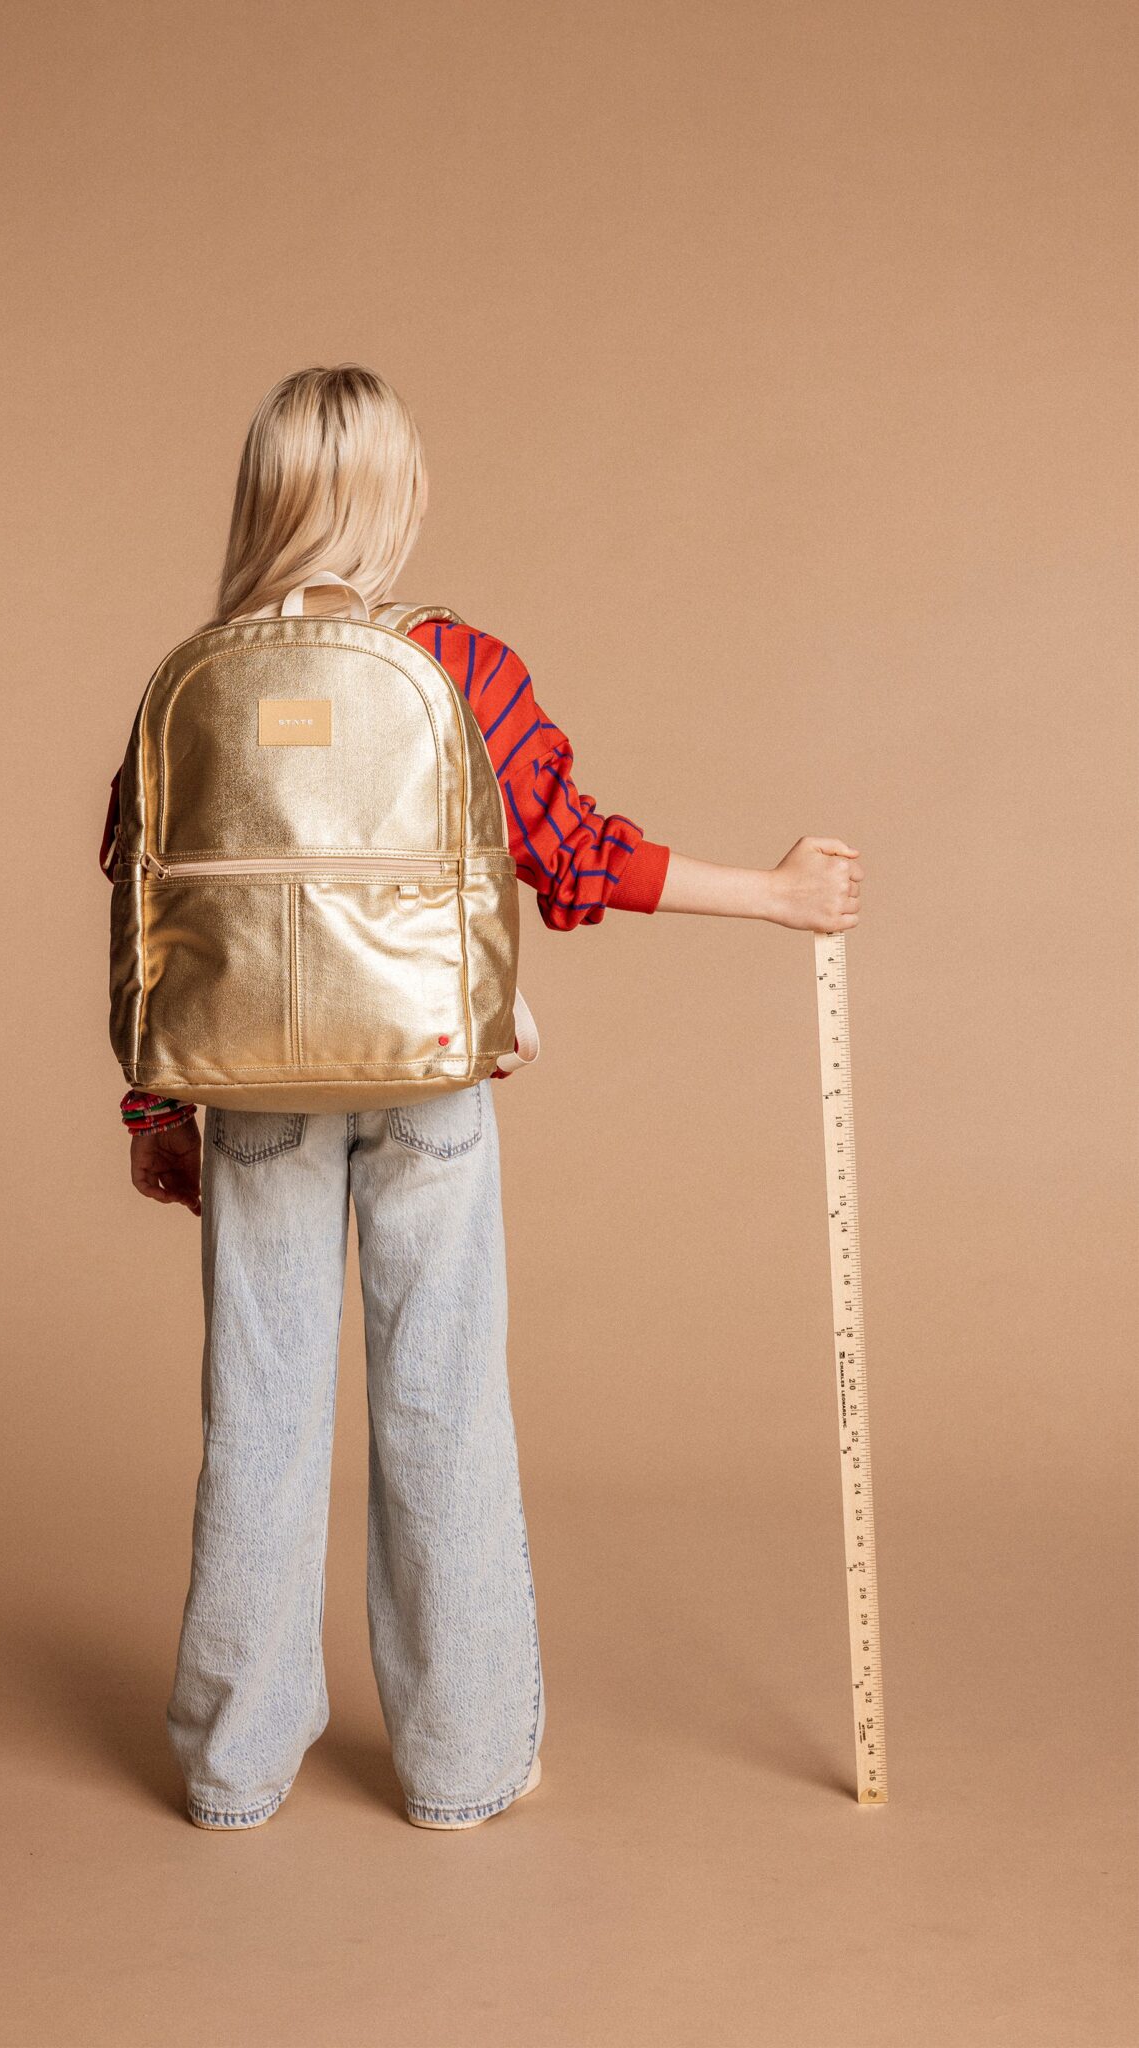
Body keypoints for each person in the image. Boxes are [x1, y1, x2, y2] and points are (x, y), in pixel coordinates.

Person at [104, 364, 864, 1833]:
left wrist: (155, 1115)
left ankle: (233, 1768)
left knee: (258, 1413)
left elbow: (148, 911)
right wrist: (774, 897)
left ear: (264, 499)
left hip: (250, 1101)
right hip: (429, 1081)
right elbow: (572, 853)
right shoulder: (453, 665)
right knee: (440, 1401)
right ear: (395, 497)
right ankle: (462, 1761)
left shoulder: (192, 683)